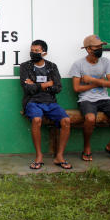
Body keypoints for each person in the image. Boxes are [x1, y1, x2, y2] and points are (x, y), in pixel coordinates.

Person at [69, 35, 110, 161]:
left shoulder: (106, 62)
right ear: (88, 49)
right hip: (86, 99)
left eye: (101, 46)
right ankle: (86, 147)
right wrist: (98, 83)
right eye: (97, 47)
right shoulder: (78, 64)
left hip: (104, 98)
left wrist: (91, 80)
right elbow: (77, 88)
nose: (100, 48)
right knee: (90, 118)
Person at [19, 40, 71, 170]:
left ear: (44, 53)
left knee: (66, 120)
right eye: (32, 50)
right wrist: (46, 84)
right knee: (37, 120)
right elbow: (27, 89)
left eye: (37, 51)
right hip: (32, 101)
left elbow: (58, 87)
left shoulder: (52, 66)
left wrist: (37, 85)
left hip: (50, 102)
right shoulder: (25, 66)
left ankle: (59, 156)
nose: (34, 53)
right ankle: (39, 156)